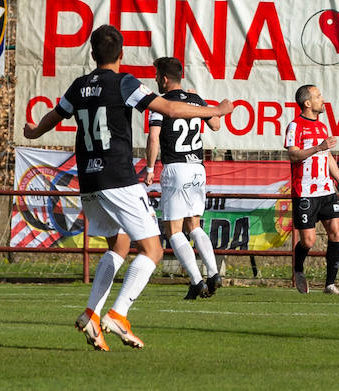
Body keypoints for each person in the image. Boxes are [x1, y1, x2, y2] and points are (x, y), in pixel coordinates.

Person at [24, 25, 233, 351]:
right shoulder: (124, 83)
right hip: (118, 177)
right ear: (121, 55)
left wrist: (34, 133)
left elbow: (55, 116)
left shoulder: (79, 86)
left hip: (89, 180)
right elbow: (170, 108)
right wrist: (216, 111)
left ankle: (92, 315)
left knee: (119, 245)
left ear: (92, 54)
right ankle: (118, 315)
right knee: (152, 249)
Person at [143, 57, 225, 300]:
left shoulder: (161, 103)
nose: (157, 79)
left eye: (158, 75)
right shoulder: (195, 100)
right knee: (194, 225)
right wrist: (200, 100)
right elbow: (216, 124)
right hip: (197, 167)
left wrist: (149, 168)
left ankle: (197, 280)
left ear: (165, 79)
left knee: (173, 230)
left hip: (176, 168)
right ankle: (212, 272)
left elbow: (154, 137)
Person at [285, 84, 339, 295]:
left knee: (336, 233)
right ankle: (298, 268)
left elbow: (328, 159)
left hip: (326, 190)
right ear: (307, 103)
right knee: (308, 241)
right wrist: (319, 147)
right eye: (318, 96)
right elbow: (293, 155)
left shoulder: (322, 127)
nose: (322, 99)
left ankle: (330, 284)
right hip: (305, 192)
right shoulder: (295, 126)